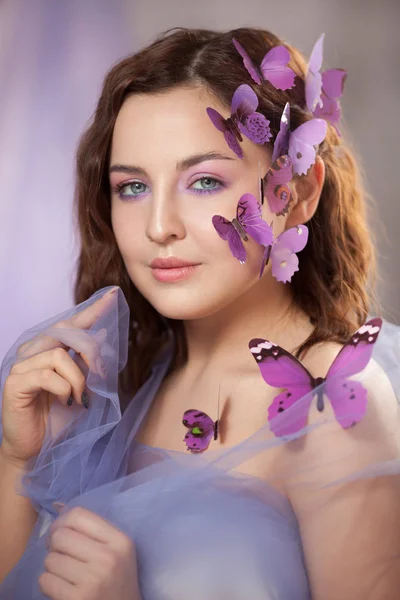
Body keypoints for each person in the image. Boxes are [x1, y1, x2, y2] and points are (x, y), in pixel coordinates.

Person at [0, 26, 399, 600]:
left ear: (299, 193)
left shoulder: (331, 407)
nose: (160, 225)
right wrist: (21, 462)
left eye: (205, 180)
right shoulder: (120, 381)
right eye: (132, 187)